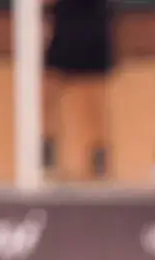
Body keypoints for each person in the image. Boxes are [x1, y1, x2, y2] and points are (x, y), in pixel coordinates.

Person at [45, 0, 115, 182]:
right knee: (47, 96)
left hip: (93, 36)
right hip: (64, 33)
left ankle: (99, 156)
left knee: (95, 104)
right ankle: (45, 150)